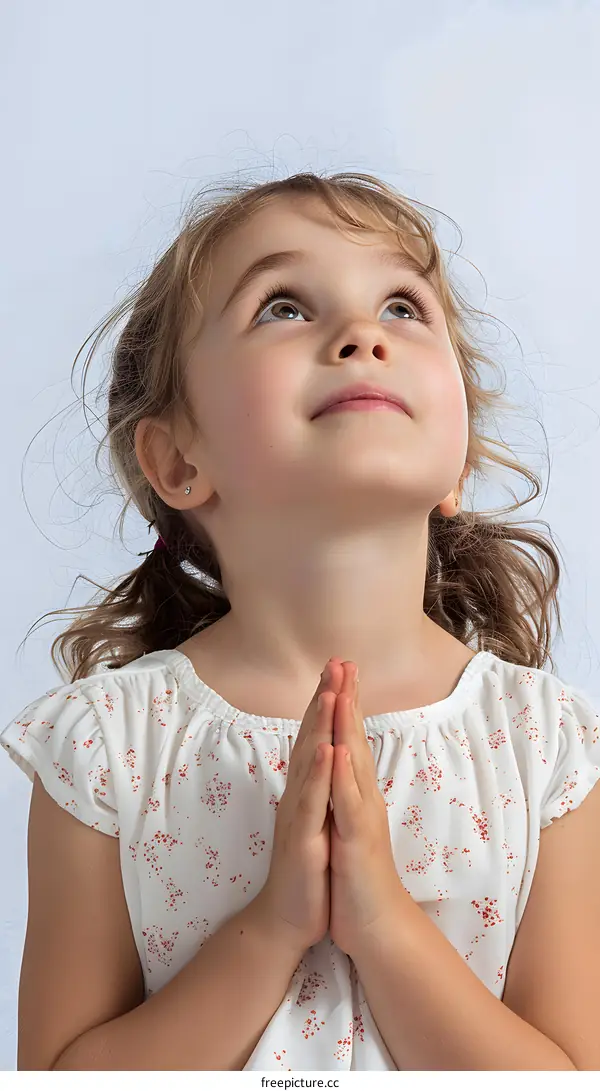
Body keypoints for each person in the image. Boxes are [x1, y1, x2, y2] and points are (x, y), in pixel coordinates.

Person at [2, 171, 599, 1073]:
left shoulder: (548, 748)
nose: (363, 335)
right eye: (283, 306)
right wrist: (273, 925)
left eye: (403, 306)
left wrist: (384, 924)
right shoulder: (103, 748)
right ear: (177, 459)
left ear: (460, 458)